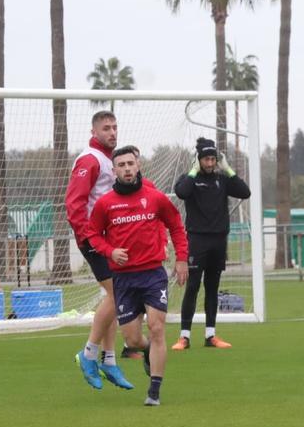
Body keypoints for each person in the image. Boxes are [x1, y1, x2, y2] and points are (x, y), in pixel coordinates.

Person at [87, 146, 189, 406]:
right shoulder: (105, 203)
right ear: (114, 170)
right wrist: (110, 251)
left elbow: (176, 226)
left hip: (153, 274)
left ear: (138, 165)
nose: (127, 168)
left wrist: (181, 259)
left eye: (130, 163)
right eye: (121, 165)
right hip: (123, 279)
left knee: (157, 328)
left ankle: (154, 391)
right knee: (132, 339)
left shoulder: (155, 198)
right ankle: (145, 352)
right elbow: (93, 235)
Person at [64, 110, 136, 391]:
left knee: (113, 297)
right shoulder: (89, 159)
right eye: (106, 128)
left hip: (109, 238)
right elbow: (74, 204)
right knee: (118, 293)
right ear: (94, 131)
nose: (112, 132)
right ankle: (89, 354)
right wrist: (89, 237)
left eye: (115, 127)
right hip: (95, 239)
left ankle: (108, 359)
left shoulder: (108, 159)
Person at [171, 137, 251, 350]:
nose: (209, 163)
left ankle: (210, 335)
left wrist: (228, 169)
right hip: (197, 240)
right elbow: (181, 192)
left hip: (218, 241)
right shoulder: (191, 179)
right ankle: (184, 337)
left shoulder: (222, 179)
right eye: (205, 159)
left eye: (212, 159)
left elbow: (245, 192)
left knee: (212, 288)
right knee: (193, 286)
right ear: (199, 160)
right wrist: (192, 171)